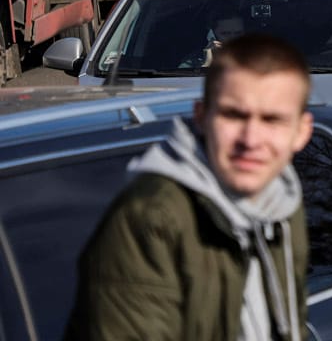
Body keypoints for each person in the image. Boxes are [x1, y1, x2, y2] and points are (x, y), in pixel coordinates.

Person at [65, 34, 313, 341]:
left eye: (272, 120)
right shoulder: (150, 219)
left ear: (302, 132)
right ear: (201, 116)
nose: (251, 140)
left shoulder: (281, 203)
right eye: (234, 115)